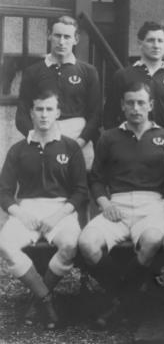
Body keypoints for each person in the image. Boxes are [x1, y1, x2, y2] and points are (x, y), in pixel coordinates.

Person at [78, 82, 164, 328]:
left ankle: (117, 300)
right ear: (122, 106)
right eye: (130, 103)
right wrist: (103, 202)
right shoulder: (109, 137)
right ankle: (128, 296)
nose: (136, 108)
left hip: (152, 206)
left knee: (153, 239)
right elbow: (96, 177)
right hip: (117, 206)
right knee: (86, 244)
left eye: (141, 102)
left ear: (151, 105)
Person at [0, 90, 87, 329]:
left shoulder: (70, 147)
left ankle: (37, 301)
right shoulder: (18, 149)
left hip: (60, 210)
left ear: (58, 113)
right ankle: (46, 300)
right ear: (31, 113)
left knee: (70, 243)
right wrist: (20, 213)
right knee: (5, 243)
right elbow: (4, 191)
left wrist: (58, 215)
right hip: (27, 209)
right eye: (39, 109)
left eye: (50, 109)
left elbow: (81, 190)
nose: (44, 114)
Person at [16, 15, 101, 170]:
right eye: (57, 36)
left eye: (67, 37)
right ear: (49, 35)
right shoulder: (33, 72)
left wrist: (80, 142)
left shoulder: (88, 72)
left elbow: (95, 114)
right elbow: (21, 114)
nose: (61, 42)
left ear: (76, 39)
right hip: (43, 137)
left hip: (78, 139)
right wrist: (38, 139)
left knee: (81, 187)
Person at [103, 21, 164, 143]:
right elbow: (110, 115)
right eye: (151, 40)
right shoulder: (123, 76)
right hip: (131, 143)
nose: (156, 45)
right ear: (140, 43)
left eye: (160, 41)